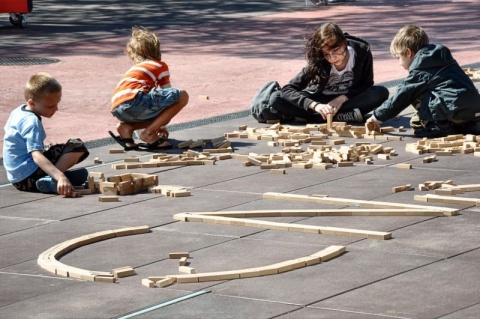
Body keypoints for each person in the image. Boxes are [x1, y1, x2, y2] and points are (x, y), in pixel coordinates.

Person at [366, 25, 480, 138]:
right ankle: (466, 125)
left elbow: (401, 97)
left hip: (454, 110)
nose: (399, 63)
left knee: (414, 93)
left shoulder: (421, 68)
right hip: (474, 109)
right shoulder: (442, 59)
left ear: (408, 53)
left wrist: (376, 117)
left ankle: (439, 126)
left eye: (398, 58)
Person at [270, 22, 388, 124]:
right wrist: (315, 106)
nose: (332, 58)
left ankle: (317, 118)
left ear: (344, 43)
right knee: (276, 98)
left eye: (336, 51)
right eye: (327, 54)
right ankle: (338, 116)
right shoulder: (319, 60)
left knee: (380, 92)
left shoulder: (362, 52)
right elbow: (287, 89)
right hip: (322, 101)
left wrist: (343, 98)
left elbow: (367, 84)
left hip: (348, 100)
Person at [3, 73, 90, 196]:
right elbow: (36, 156)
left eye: (57, 103)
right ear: (32, 103)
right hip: (30, 176)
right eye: (50, 106)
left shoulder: (18, 111)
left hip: (17, 179)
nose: (56, 109)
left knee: (54, 149)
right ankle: (56, 179)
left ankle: (52, 180)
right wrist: (60, 176)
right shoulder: (32, 122)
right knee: (77, 145)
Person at [109, 26, 189, 150]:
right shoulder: (158, 65)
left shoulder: (134, 70)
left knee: (160, 115)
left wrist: (160, 124)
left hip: (118, 108)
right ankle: (149, 133)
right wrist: (160, 126)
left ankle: (127, 129)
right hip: (135, 100)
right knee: (182, 96)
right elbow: (168, 91)